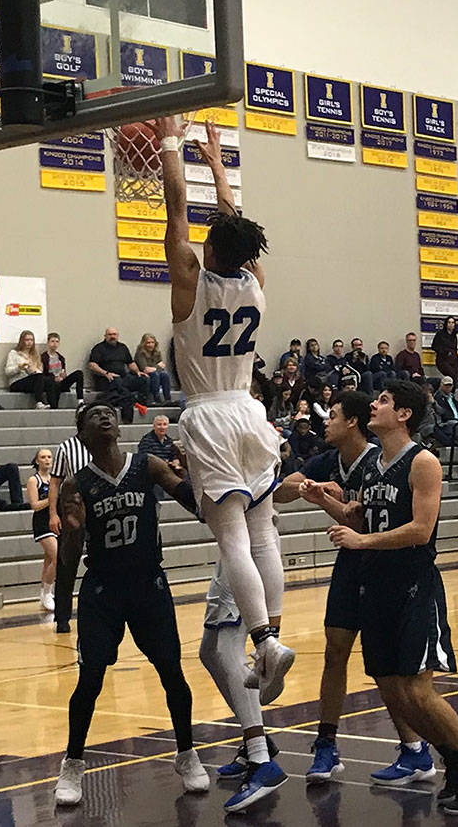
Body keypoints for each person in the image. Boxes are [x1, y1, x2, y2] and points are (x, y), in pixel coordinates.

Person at [153, 115, 294, 707]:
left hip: (209, 412)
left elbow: (175, 206)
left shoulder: (191, 277)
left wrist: (169, 143)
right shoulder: (255, 282)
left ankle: (262, 640)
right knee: (263, 533)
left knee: (230, 535)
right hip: (251, 410)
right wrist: (218, 161)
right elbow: (233, 229)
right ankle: (274, 634)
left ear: (209, 249)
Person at [312, 380, 458, 814]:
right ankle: (454, 762)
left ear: (404, 414)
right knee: (392, 690)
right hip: (376, 587)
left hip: (413, 587)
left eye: (384, 401)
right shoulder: (373, 462)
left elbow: (420, 530)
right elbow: (360, 516)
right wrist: (332, 506)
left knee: (418, 690)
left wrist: (362, 541)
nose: (374, 405)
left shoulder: (423, 462)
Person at [52, 403, 210, 807]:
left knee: (172, 672)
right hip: (102, 589)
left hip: (147, 584)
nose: (104, 417)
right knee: (90, 680)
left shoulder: (148, 466)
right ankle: (72, 763)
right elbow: (69, 555)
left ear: (119, 425)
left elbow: (195, 503)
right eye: (93, 415)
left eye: (109, 412)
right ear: (82, 435)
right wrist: (62, 610)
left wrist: (194, 466)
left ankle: (186, 753)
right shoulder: (76, 485)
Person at [272, 391, 430, 786]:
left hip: (385, 567)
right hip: (350, 564)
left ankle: (414, 747)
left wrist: (327, 501)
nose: (326, 421)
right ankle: (326, 743)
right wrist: (313, 486)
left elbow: (363, 525)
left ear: (353, 422)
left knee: (386, 670)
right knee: (334, 651)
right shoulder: (329, 459)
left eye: (334, 416)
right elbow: (282, 489)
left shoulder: (382, 461)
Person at [48, 410, 92, 634]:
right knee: (67, 565)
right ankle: (62, 617)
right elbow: (55, 483)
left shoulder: (103, 445)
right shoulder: (66, 447)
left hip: (99, 509)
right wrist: (53, 514)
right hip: (73, 512)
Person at [87, 326, 150, 414]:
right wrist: (106, 373)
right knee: (117, 381)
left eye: (114, 334)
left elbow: (130, 363)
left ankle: (142, 403)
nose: (112, 336)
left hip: (123, 377)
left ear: (118, 335)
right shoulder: (99, 348)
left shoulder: (122, 347)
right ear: (105, 336)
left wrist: (138, 372)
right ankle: (132, 402)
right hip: (106, 379)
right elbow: (92, 365)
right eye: (109, 334)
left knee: (144, 379)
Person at [26, 448, 57, 612]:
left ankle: (44, 594)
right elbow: (35, 505)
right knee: (57, 557)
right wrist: (52, 498)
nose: (47, 460)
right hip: (42, 522)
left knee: (49, 560)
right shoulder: (34, 480)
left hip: (56, 520)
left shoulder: (55, 479)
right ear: (37, 461)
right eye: (43, 457)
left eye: (49, 457)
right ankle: (47, 593)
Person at [5, 329, 55, 409]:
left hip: (32, 380)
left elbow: (40, 371)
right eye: (27, 340)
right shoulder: (14, 353)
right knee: (39, 377)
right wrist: (19, 367)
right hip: (17, 381)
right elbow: (8, 372)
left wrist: (34, 370)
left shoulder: (35, 355)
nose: (29, 342)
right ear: (22, 341)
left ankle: (53, 406)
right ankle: (39, 402)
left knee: (49, 380)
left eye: (31, 340)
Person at [40, 332, 85, 408]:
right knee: (54, 384)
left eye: (57, 342)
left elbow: (63, 371)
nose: (55, 344)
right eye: (52, 341)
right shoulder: (43, 357)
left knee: (79, 373)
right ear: (48, 343)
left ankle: (80, 401)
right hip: (51, 383)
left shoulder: (61, 358)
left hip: (61, 382)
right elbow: (42, 374)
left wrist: (63, 376)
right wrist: (53, 378)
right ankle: (54, 407)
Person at [135, 332, 174, 406]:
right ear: (144, 344)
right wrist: (157, 367)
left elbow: (162, 367)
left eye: (152, 342)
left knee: (164, 375)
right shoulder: (140, 353)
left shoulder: (157, 353)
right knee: (155, 374)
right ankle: (156, 398)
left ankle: (168, 399)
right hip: (143, 375)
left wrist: (154, 368)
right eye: (148, 343)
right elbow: (145, 369)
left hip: (156, 373)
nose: (150, 345)